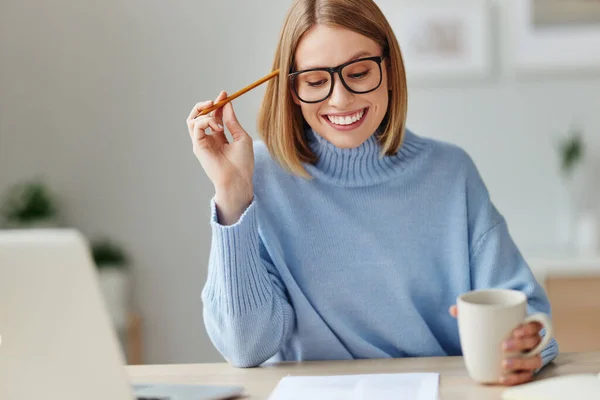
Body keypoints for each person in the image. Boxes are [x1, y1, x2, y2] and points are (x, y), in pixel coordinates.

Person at [186, 0, 558, 386]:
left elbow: (527, 311)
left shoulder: (450, 174)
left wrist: (524, 349)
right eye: (315, 81)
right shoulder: (258, 177)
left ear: (391, 71)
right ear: (293, 90)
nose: (340, 99)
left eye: (360, 72)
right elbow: (246, 346)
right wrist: (232, 194)